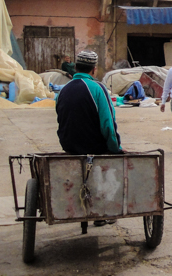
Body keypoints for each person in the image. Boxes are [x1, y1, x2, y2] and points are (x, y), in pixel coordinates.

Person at [56, 50, 121, 227]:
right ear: (94, 69)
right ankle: (103, 210)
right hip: (93, 148)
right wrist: (115, 148)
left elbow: (60, 120)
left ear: (76, 68)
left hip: (68, 146)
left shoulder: (63, 91)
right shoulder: (98, 88)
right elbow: (108, 124)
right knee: (111, 157)